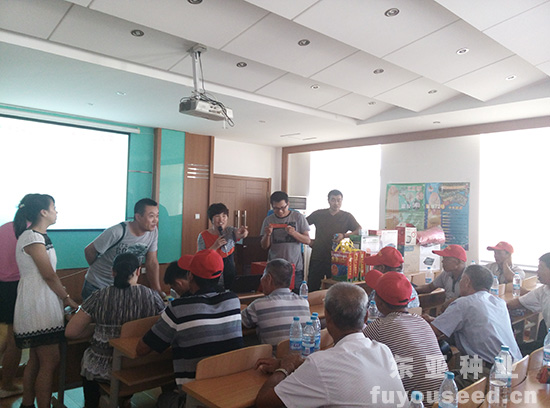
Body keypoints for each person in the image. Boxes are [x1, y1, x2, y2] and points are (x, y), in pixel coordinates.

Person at [255, 282, 407, 408]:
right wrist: (295, 363)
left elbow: (263, 402)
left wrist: (283, 369)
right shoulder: (383, 350)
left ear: (327, 318)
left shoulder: (320, 364)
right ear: (366, 316)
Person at [65, 253, 165, 408]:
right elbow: (163, 328)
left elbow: (71, 332)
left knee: (88, 359)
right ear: (138, 271)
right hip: (137, 365)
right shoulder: (152, 297)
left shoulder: (99, 296)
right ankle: (124, 399)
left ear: (113, 272)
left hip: (102, 368)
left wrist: (99, 329)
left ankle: (93, 403)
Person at [136, 249, 243, 389]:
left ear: (190, 276)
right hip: (231, 387)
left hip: (195, 394)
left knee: (165, 393)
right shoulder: (233, 300)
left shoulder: (179, 308)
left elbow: (142, 349)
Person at [12, 194, 79, 408]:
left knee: (37, 359)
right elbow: (48, 275)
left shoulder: (38, 236)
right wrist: (67, 298)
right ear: (43, 212)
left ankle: (28, 404)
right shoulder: (32, 237)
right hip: (37, 303)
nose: (56, 212)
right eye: (53, 207)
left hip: (41, 300)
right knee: (50, 361)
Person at [423, 264, 521, 388]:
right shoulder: (498, 302)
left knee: (431, 388)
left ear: (467, 281)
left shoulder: (464, 303)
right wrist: (436, 321)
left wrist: (419, 321)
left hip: (490, 373)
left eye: (462, 279)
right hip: (515, 368)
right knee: (447, 376)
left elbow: (432, 332)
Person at [363, 270, 447, 402]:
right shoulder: (421, 321)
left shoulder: (379, 326)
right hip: (445, 399)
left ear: (378, 303)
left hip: (418, 403)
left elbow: (353, 346)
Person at [82, 198, 162, 300]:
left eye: (157, 216)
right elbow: (89, 251)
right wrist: (98, 270)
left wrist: (157, 289)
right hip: (98, 285)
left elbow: (152, 262)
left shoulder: (153, 232)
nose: (155, 220)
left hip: (125, 286)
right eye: (151, 216)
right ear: (138, 217)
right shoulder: (117, 232)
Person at [241, 259, 310, 351]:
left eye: (263, 275)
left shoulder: (258, 305)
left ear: (268, 279)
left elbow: (238, 322)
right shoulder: (304, 302)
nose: (261, 279)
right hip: (301, 357)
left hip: (273, 358)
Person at [306, 189, 361, 291]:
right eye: (333, 200)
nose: (336, 203)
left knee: (335, 288)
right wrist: (308, 240)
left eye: (339, 200)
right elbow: (302, 224)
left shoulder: (347, 216)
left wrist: (344, 235)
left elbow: (359, 230)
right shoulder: (318, 214)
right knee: (313, 285)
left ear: (342, 201)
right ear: (328, 200)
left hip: (337, 258)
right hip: (318, 255)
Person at [261, 192, 310, 289]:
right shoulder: (268, 220)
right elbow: (264, 246)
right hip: (275, 268)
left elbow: (307, 240)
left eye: (283, 207)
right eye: (276, 208)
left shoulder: (298, 217)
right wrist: (267, 235)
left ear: (288, 204)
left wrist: (294, 233)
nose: (280, 211)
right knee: (274, 295)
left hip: (295, 267)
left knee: (296, 294)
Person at [197, 203, 248, 289]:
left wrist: (244, 233)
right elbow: (200, 258)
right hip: (212, 274)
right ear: (211, 219)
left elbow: (240, 235)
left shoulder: (230, 231)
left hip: (229, 272)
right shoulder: (203, 235)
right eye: (217, 216)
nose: (221, 219)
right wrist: (215, 246)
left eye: (224, 216)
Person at [507, 252, 550, 354]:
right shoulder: (544, 289)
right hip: (546, 344)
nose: (537, 271)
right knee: (513, 350)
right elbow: (516, 303)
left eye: (541, 268)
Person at [0, 221, 23, 399]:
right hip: (15, 287)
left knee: (8, 336)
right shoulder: (31, 231)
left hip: (3, 286)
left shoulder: (6, 226)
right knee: (16, 338)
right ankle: (7, 385)